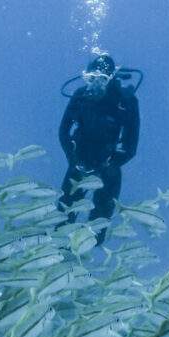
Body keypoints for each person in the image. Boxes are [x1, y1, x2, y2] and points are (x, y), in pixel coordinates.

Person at [57, 53, 140, 246]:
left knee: (97, 229)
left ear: (111, 78)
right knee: (62, 220)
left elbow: (131, 145)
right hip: (79, 163)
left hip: (109, 168)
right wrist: (72, 158)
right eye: (91, 78)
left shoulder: (125, 101)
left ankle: (86, 265)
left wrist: (111, 164)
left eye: (101, 79)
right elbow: (63, 131)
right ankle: (59, 262)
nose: (95, 84)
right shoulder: (80, 96)